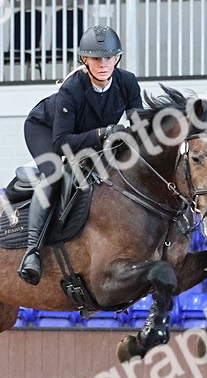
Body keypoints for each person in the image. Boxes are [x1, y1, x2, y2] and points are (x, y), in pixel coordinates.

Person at [17, 25, 142, 285]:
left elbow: (139, 126)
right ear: (84, 60)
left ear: (117, 58)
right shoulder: (71, 90)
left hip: (86, 134)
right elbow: (62, 142)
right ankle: (32, 251)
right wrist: (102, 133)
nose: (103, 64)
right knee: (54, 174)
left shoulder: (127, 82)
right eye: (96, 59)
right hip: (45, 130)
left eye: (108, 58)